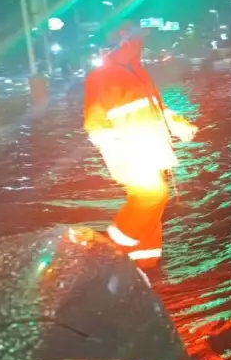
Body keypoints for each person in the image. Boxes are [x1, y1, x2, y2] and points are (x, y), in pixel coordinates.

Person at [83, 22, 198, 267]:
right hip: (129, 153)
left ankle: (144, 264)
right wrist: (116, 154)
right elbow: (95, 123)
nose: (141, 45)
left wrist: (177, 124)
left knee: (154, 206)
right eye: (136, 40)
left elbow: (158, 107)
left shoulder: (138, 71)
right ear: (122, 41)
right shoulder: (100, 77)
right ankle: (110, 252)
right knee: (152, 196)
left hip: (151, 148)